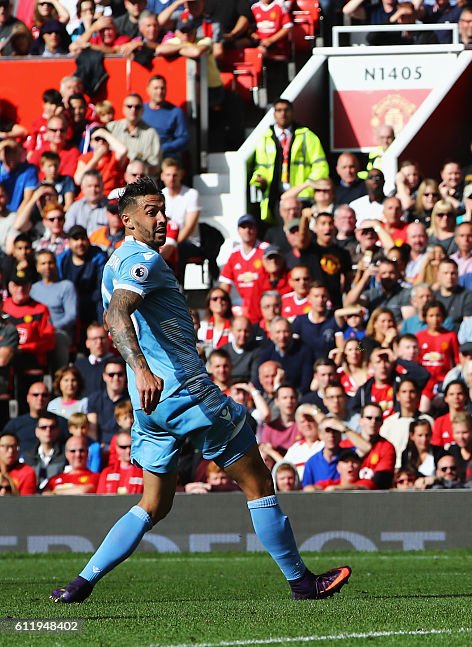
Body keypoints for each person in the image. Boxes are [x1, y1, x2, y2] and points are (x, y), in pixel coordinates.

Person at [51, 178, 350, 604]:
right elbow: (117, 314)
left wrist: (142, 376)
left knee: (154, 505)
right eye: (150, 211)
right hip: (183, 394)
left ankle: (80, 584)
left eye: (163, 211)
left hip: (149, 408)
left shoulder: (116, 260)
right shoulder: (142, 262)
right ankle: (303, 582)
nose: (160, 219)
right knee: (259, 483)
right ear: (127, 219)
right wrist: (140, 369)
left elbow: (113, 316)